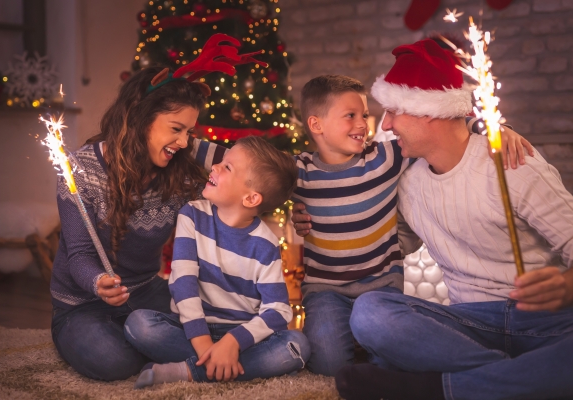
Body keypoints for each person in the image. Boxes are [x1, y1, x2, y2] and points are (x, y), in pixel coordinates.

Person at [318, 39, 573, 400]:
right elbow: (384, 239)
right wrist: (312, 218)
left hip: (546, 322)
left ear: (429, 111)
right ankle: (516, 377)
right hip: (466, 326)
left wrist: (566, 286)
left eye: (393, 111)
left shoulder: (514, 165)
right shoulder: (406, 180)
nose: (386, 124)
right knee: (372, 313)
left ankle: (438, 387)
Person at [287, 73, 532, 378]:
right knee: (328, 367)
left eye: (364, 114)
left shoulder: (384, 158)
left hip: (381, 287)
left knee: (395, 364)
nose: (363, 123)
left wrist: (497, 129)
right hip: (325, 289)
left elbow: (450, 128)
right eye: (350, 116)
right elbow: (247, 165)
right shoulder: (298, 171)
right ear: (316, 125)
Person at [50, 65, 223, 381]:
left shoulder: (180, 166)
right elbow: (78, 255)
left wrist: (303, 202)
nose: (184, 142)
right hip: (82, 305)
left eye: (190, 132)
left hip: (146, 291)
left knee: (213, 320)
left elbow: (245, 164)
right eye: (176, 129)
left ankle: (156, 343)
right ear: (139, 118)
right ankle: (165, 350)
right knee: (113, 361)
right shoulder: (81, 170)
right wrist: (98, 281)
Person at [124, 136, 310, 388]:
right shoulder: (192, 214)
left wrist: (232, 343)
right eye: (221, 162)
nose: (215, 167)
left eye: (227, 167)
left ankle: (188, 371)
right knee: (139, 325)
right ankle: (219, 364)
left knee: (296, 347)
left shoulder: (265, 245)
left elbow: (278, 310)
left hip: (242, 337)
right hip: (192, 329)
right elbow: (183, 282)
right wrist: (204, 345)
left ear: (251, 198)